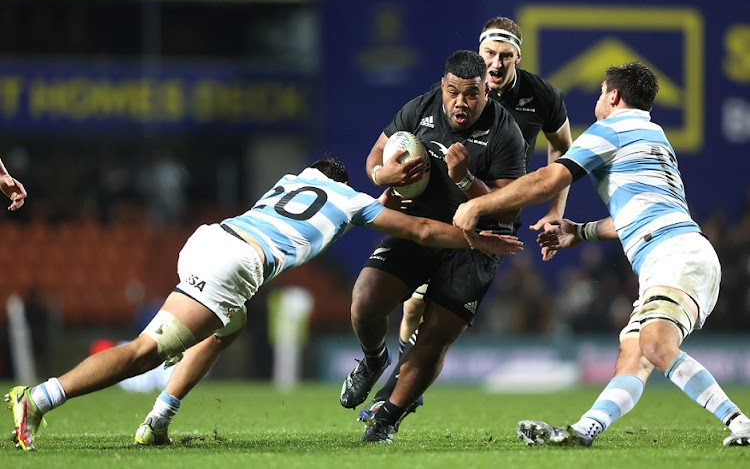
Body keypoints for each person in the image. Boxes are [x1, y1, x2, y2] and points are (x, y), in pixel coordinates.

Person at [5, 157, 522, 451]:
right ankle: (40, 398)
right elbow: (422, 231)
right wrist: (479, 240)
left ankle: (158, 420)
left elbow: (332, 200)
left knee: (230, 326)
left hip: (210, 239)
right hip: (237, 263)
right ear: (343, 182)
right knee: (146, 351)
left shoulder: (291, 180)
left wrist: (376, 191)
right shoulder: (347, 199)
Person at [452, 62, 750, 447]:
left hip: (674, 255)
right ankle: (584, 430)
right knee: (634, 355)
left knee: (656, 346)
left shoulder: (611, 129)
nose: (598, 98)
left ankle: (740, 422)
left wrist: (481, 205)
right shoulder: (654, 134)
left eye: (600, 92)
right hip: (682, 252)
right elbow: (637, 214)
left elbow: (548, 180)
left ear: (613, 95)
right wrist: (580, 231)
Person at [359, 16, 573, 425]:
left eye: (505, 56)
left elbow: (563, 152)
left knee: (435, 320)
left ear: (518, 58)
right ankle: (396, 383)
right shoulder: (441, 100)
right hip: (440, 213)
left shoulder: (539, 98)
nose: (496, 63)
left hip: (493, 210)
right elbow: (392, 149)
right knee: (410, 307)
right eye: (489, 54)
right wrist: (390, 181)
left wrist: (554, 212)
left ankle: (394, 397)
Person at [340, 50, 528, 442]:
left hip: (475, 245)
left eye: (472, 95)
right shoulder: (420, 108)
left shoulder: (505, 132)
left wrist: (463, 181)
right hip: (418, 228)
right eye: (454, 92)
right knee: (364, 300)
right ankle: (375, 360)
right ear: (443, 87)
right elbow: (379, 151)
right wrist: (381, 173)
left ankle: (387, 419)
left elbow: (508, 207)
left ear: (485, 94)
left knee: (435, 335)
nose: (461, 103)